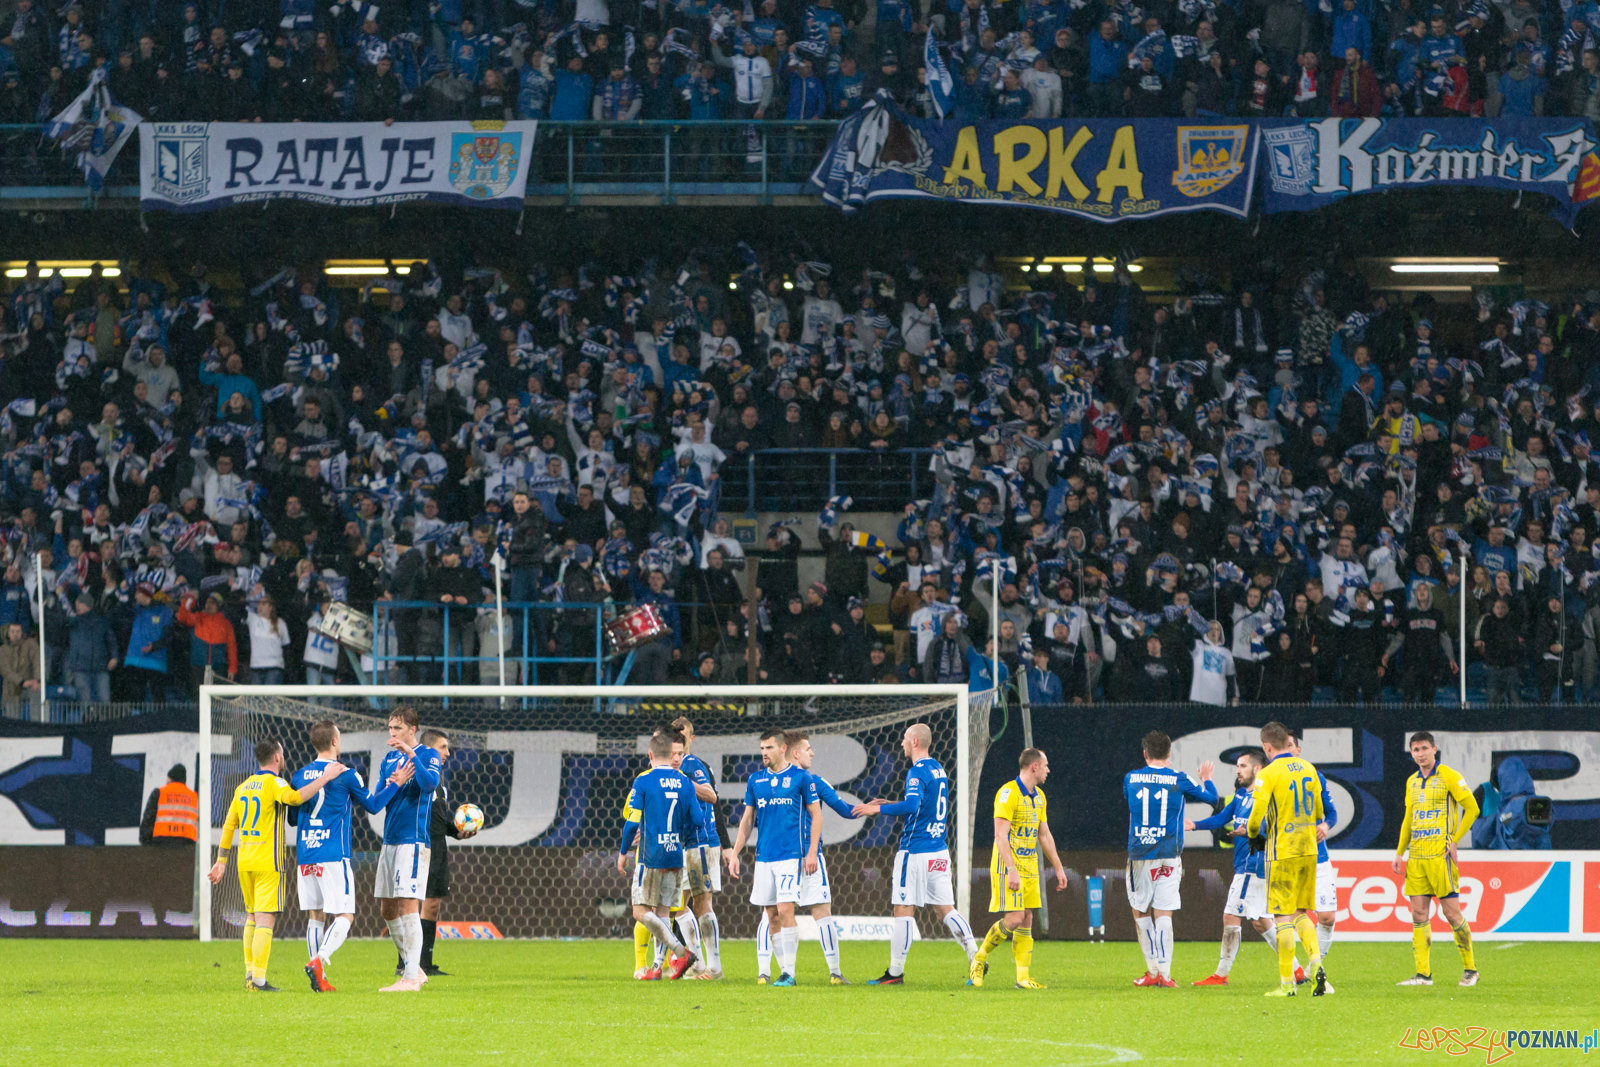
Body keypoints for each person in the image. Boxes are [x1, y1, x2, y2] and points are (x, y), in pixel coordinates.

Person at [206, 739, 345, 992]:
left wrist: (221, 860)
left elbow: (229, 826)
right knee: (265, 920)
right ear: (277, 758)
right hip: (268, 862)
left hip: (244, 861)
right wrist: (325, 778)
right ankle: (258, 980)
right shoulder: (275, 783)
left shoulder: (243, 787)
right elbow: (295, 798)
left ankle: (250, 975)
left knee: (251, 917)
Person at [851, 722, 980, 985]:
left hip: (915, 850)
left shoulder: (916, 771)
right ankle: (976, 959)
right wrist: (891, 804)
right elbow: (923, 804)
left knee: (903, 909)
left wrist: (876, 810)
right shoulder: (938, 769)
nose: (901, 743)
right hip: (939, 850)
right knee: (946, 909)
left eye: (905, 739)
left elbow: (911, 805)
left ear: (916, 743)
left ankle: (895, 973)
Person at [293, 720, 408, 992]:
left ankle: (317, 975)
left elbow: (293, 817)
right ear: (334, 741)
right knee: (345, 915)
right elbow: (373, 805)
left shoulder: (299, 775)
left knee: (315, 915)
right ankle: (318, 962)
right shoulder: (347, 775)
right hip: (333, 854)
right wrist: (396, 785)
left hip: (306, 853)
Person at [1187, 750, 1302, 987]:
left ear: (1258, 769)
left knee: (1231, 915)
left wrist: (1253, 831)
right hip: (1247, 865)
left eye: (1242, 766)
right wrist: (1195, 825)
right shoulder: (1241, 795)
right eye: (1237, 766)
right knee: (1261, 921)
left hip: (1254, 864)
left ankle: (1221, 975)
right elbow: (1221, 818)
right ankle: (1297, 970)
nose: (1238, 770)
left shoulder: (1269, 796)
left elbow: (1277, 828)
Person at [726, 728, 822, 986]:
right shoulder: (756, 780)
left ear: (782, 749)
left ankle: (790, 973)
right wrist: (735, 853)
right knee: (771, 915)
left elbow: (817, 816)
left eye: (769, 748)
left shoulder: (801, 778)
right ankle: (783, 971)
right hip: (763, 857)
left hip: (790, 855)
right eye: (762, 749)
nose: (764, 753)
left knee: (784, 908)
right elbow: (747, 820)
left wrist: (811, 851)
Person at [1123, 730, 1217, 987]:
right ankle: (1165, 974)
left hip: (1140, 854)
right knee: (1163, 913)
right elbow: (1212, 799)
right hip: (1169, 854)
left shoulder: (1131, 778)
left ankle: (1152, 971)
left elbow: (1130, 802)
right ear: (1168, 754)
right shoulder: (1178, 778)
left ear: (1145, 753)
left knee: (1140, 910)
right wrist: (1207, 780)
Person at [970, 748, 1067, 990]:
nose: (1048, 769)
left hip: (1030, 867)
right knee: (1013, 919)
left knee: (1027, 919)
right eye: (1045, 765)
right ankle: (979, 958)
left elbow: (1043, 834)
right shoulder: (1007, 793)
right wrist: (1012, 869)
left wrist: (1058, 867)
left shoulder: (1040, 797)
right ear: (1034, 767)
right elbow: (1000, 836)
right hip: (1008, 867)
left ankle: (1022, 978)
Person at [1245, 720, 1327, 997]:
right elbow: (1318, 812)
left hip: (1282, 851)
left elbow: (1256, 816)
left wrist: (1254, 834)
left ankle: (1286, 985)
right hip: (1309, 849)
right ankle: (1317, 964)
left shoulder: (1268, 774)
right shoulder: (1309, 768)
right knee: (1302, 912)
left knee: (1282, 917)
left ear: (1267, 747)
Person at [1392, 731, 1480, 987]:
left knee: (1451, 914)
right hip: (1417, 857)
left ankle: (1470, 969)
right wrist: (1400, 851)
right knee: (1419, 914)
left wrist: (1455, 840)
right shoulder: (1411, 782)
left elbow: (1473, 808)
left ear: (1434, 749)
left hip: (1440, 856)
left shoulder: (1449, 776)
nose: (1420, 754)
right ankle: (1423, 975)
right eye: (1415, 750)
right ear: (1412, 753)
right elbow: (1409, 820)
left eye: (1424, 748)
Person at [618, 728, 703, 981]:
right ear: (672, 754)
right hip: (675, 855)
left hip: (650, 855)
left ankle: (680, 951)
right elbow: (697, 819)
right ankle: (656, 969)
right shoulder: (685, 782)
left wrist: (623, 852)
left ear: (650, 754)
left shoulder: (643, 781)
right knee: (664, 912)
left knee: (640, 911)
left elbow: (632, 822)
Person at [373, 705, 443, 992]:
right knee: (387, 908)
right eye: (390, 728)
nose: (393, 734)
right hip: (389, 840)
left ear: (412, 729)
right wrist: (393, 784)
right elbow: (377, 801)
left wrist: (412, 754)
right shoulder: (389, 759)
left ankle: (411, 976)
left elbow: (430, 784)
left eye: (398, 728)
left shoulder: (428, 755)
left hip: (413, 841)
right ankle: (412, 968)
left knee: (407, 905)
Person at [785, 730, 862, 983]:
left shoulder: (769, 781)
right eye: (808, 748)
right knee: (820, 911)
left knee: (774, 913)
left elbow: (848, 811)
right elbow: (845, 811)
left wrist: (873, 808)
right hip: (806, 855)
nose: (812, 753)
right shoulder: (813, 781)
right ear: (796, 753)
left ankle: (773, 974)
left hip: (783, 857)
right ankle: (834, 973)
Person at [411, 729, 479, 977]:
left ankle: (423, 964)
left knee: (432, 906)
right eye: (443, 747)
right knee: (419, 906)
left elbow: (438, 819)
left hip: (437, 846)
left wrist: (457, 831)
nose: (448, 753)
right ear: (429, 750)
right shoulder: (421, 778)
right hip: (422, 847)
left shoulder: (439, 784)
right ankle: (413, 964)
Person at [672, 717, 731, 980]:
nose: (679, 742)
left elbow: (711, 796)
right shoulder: (668, 768)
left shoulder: (693, 765)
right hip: (681, 844)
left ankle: (710, 967)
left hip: (701, 842)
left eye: (683, 737)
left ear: (691, 739)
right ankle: (696, 963)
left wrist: (685, 783)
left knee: (701, 902)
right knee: (676, 904)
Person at [1288, 734, 1339, 982]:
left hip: (1318, 857)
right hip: (1290, 857)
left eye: (1291, 745)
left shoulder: (1314, 776)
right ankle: (1307, 969)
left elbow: (1331, 812)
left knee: (1327, 917)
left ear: (1298, 749)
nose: (1287, 750)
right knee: (1297, 911)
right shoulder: (1273, 775)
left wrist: (1327, 826)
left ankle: (1310, 969)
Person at [138, 763, 199, 848]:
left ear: (170, 779)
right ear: (184, 781)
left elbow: (148, 821)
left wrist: (146, 843)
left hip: (161, 844)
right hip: (186, 845)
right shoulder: (194, 797)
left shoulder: (159, 793)